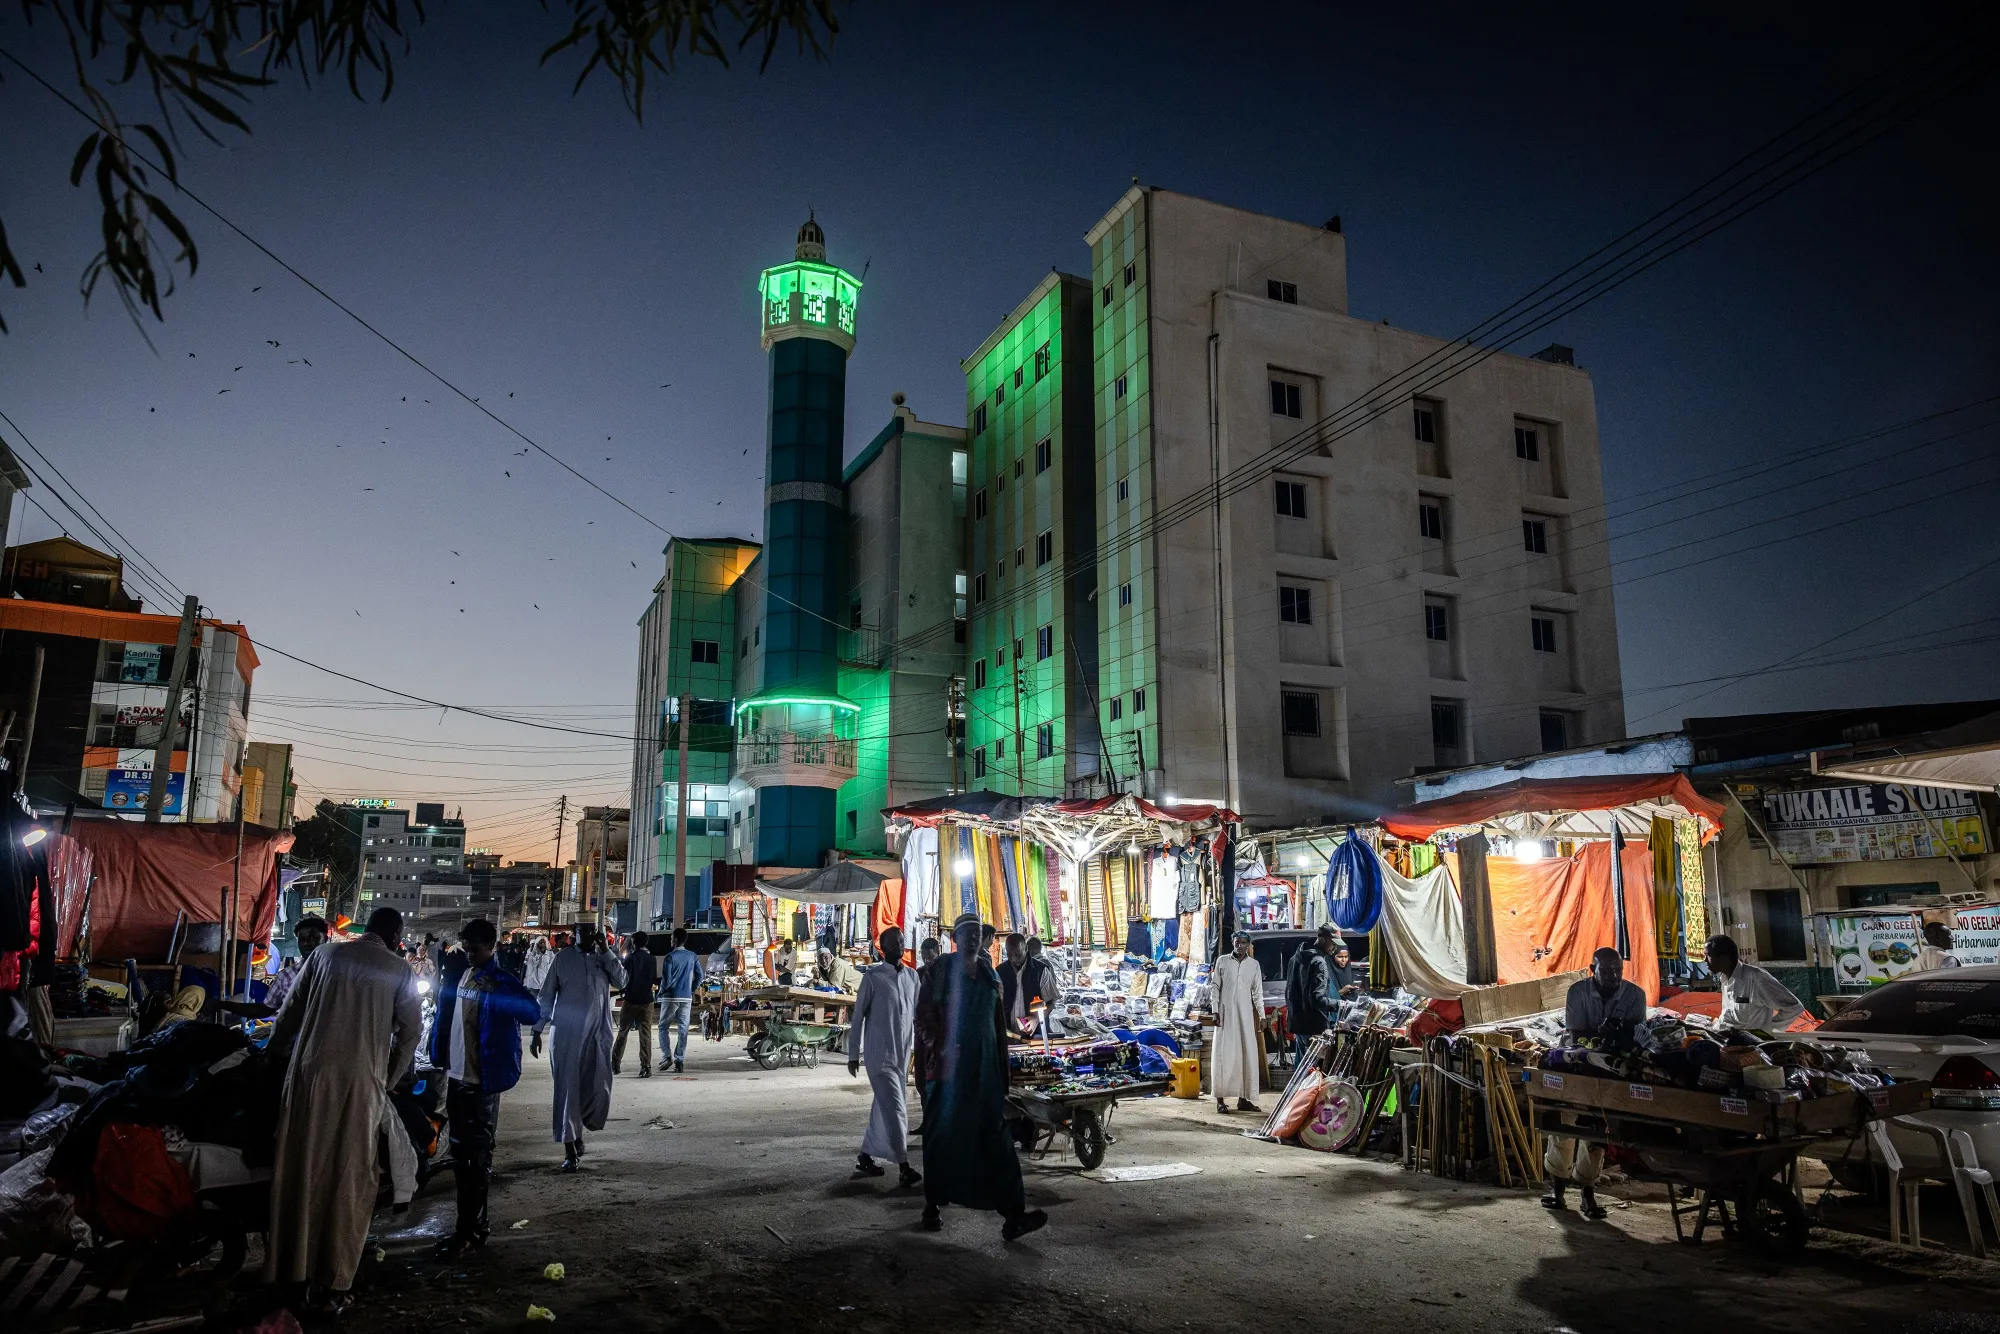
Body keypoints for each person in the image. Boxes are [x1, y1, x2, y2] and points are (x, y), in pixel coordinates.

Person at [263, 907, 422, 1311]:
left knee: (298, 1169)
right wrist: (386, 1080)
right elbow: (410, 1035)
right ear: (396, 934)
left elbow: (288, 1015)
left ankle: (289, 1273)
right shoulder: (399, 970)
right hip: (360, 1082)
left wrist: (270, 1056)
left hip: (308, 1075)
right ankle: (334, 1281)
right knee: (350, 1178)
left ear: (366, 930)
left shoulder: (325, 955)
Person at [914, 914, 1047, 1240]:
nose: (973, 938)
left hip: (984, 1073)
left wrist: (1003, 1070)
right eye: (966, 933)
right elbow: (923, 1016)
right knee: (941, 1138)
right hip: (947, 1075)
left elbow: (996, 1025)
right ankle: (932, 1205)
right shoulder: (941, 970)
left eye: (978, 933)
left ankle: (1014, 1215)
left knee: (998, 1141)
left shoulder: (989, 974)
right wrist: (941, 1046)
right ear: (955, 938)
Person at [428, 918, 540, 1258]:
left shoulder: (501, 980)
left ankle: (471, 1232)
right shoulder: (463, 975)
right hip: (460, 1079)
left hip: (482, 1084)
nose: (470, 954)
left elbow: (533, 1012)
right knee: (464, 1160)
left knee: (476, 1162)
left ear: (492, 946)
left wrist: (500, 993)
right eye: (466, 948)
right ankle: (470, 1229)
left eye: (476, 948)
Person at [1542, 947, 1647, 1220]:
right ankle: (1557, 1189)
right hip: (1576, 1065)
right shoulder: (1577, 992)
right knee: (1565, 1125)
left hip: (1610, 1071)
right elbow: (1575, 1034)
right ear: (1593, 969)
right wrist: (1603, 1034)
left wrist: (1619, 1036)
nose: (1613, 975)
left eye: (1618, 971)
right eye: (1607, 970)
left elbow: (1638, 1036)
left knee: (1598, 1130)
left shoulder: (1635, 994)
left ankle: (1588, 1191)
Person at [531, 925, 627, 1170]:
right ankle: (570, 1149)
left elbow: (623, 980)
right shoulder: (563, 959)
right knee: (568, 1091)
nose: (589, 935)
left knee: (597, 1087)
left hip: (598, 1034)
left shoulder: (603, 958)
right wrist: (537, 1030)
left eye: (592, 930)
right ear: (576, 933)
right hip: (567, 1036)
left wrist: (606, 951)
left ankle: (579, 1131)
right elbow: (546, 996)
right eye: (583, 930)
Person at [850, 926, 922, 1186]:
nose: (900, 944)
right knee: (897, 1109)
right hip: (878, 1056)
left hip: (902, 1055)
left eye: (902, 940)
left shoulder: (913, 977)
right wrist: (852, 1054)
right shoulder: (873, 977)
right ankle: (904, 1167)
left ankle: (865, 1156)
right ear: (883, 947)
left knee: (884, 1108)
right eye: (895, 941)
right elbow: (857, 1017)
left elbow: (919, 1015)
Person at [1210, 932, 1265, 1114]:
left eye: (1243, 943)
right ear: (1232, 942)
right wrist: (1215, 1011)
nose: (1239, 946)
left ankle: (1244, 1099)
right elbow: (1215, 986)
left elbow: (1257, 993)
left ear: (1249, 945)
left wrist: (1262, 1016)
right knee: (1223, 1055)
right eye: (1236, 942)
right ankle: (1220, 1099)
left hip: (1245, 1017)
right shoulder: (1223, 961)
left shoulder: (1253, 965)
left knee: (1246, 1054)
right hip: (1225, 1016)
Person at [1705, 934, 1805, 1032]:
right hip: (1727, 1039)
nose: (1705, 960)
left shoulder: (1756, 978)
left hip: (1750, 1045)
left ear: (1723, 956)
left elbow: (1794, 1007)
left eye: (1708, 955)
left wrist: (1767, 1031)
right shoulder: (1724, 979)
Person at [1283, 926, 1341, 1058]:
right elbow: (1318, 1000)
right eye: (1333, 943)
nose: (1335, 948)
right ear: (1322, 938)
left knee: (1304, 1067)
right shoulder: (1319, 963)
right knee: (1315, 1070)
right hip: (1314, 1027)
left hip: (1298, 1024)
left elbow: (1290, 993)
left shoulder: (1295, 957)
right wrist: (1342, 1005)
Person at [612, 931, 659, 1078]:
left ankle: (615, 1064)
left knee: (623, 1032)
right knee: (645, 1034)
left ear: (634, 942)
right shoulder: (652, 959)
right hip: (647, 999)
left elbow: (623, 977)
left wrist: (622, 990)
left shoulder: (630, 959)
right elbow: (653, 979)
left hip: (631, 999)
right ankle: (646, 1066)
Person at [996, 933, 1061, 1038]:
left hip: (1036, 1034)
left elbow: (1052, 1001)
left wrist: (1036, 1019)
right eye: (1009, 955)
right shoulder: (1000, 971)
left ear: (1026, 949)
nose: (1013, 959)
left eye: (1018, 955)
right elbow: (997, 1004)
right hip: (1009, 1035)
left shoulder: (1040, 970)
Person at [659, 928, 700, 1073]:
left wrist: (660, 992)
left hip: (671, 996)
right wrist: (692, 989)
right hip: (686, 997)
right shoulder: (692, 956)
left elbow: (666, 979)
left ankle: (666, 1057)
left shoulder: (670, 957)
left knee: (663, 1027)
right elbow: (699, 975)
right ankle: (679, 1060)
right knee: (683, 1028)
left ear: (676, 939)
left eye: (671, 937)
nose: (670, 940)